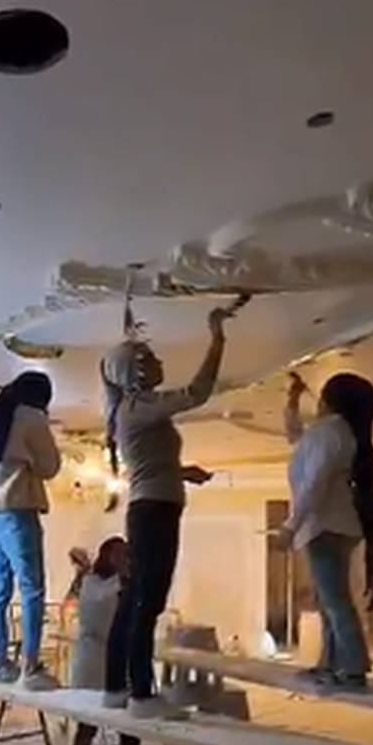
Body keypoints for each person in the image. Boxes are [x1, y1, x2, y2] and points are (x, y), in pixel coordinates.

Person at [100, 304, 234, 717]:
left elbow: (149, 464)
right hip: (155, 511)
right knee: (147, 603)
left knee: (135, 600)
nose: (159, 361)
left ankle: (117, 688)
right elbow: (197, 392)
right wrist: (217, 337)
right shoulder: (138, 406)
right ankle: (141, 694)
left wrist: (181, 472)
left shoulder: (129, 410)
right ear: (136, 372)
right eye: (150, 358)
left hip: (152, 507)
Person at [281, 370, 373, 691]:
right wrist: (293, 399)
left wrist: (291, 525)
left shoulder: (330, 432)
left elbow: (315, 483)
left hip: (324, 525)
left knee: (335, 601)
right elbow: (295, 435)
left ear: (330, 401)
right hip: (332, 525)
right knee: (329, 601)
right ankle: (331, 664)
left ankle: (352, 669)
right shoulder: (333, 432)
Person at [0, 371, 61, 689]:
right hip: (15, 508)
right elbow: (50, 466)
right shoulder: (30, 417)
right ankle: (30, 668)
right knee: (32, 588)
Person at [68, 537, 148, 745]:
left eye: (126, 554)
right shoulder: (94, 584)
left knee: (128, 726)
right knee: (87, 724)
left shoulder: (120, 585)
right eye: (118, 554)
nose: (123, 559)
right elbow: (102, 617)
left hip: (114, 662)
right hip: (94, 661)